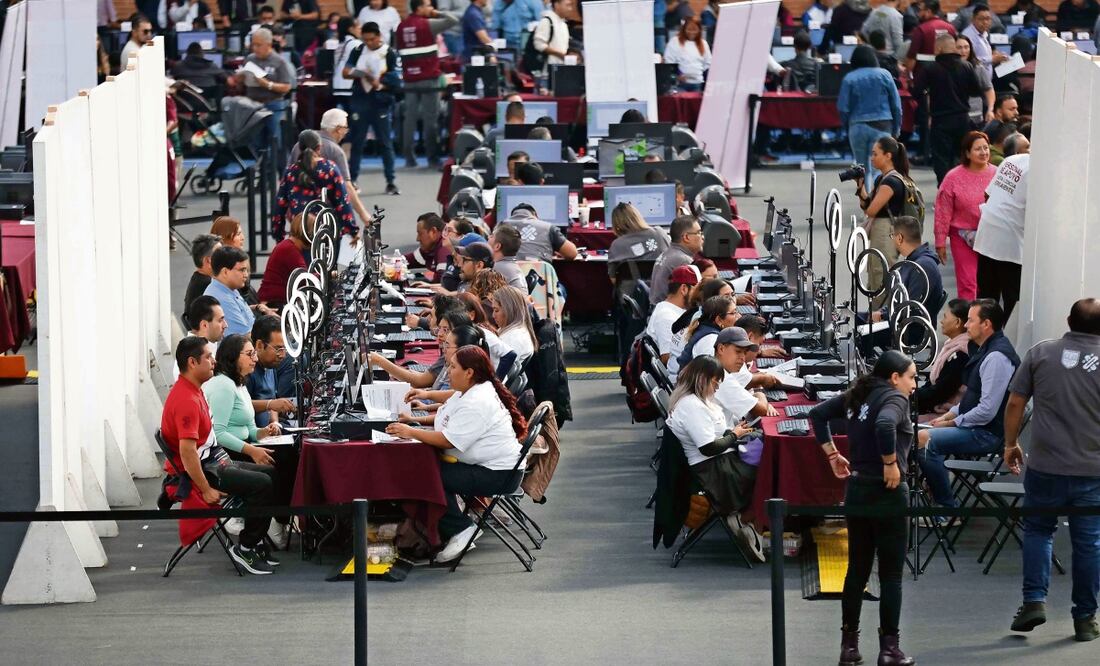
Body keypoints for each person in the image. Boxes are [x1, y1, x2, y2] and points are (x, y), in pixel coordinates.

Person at [810, 350, 918, 666]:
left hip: (857, 490)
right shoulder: (896, 400)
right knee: (891, 575)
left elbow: (817, 414)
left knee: (856, 569)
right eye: (911, 377)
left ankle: (849, 646)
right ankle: (889, 649)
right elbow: (886, 427)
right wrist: (890, 463)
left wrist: (832, 455)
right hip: (887, 494)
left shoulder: (859, 395)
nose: (914, 384)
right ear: (895, 377)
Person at [1004, 298, 1100, 642]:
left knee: (1038, 531)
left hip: (1045, 464)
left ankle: (1034, 600)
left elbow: (1016, 401)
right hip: (1092, 469)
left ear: (1068, 320)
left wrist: (1010, 443)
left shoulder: (1041, 353)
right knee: (1089, 544)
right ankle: (1085, 619)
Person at [385, 346, 527, 562]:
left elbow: (448, 440)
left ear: (469, 372)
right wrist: (414, 421)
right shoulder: (471, 391)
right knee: (425, 469)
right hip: (493, 468)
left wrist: (411, 431)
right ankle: (444, 528)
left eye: (452, 367)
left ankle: (461, 528)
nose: (448, 371)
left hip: (498, 475)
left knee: (425, 475)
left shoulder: (476, 402)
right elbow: (447, 420)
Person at [162, 336, 278, 575]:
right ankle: (245, 547)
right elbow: (187, 452)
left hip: (216, 459)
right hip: (206, 469)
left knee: (271, 472)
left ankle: (253, 541)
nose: (213, 362)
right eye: (208, 357)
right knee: (263, 484)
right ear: (193, 362)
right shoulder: (186, 399)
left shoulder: (195, 390)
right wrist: (205, 489)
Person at [918, 299, 1019, 508]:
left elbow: (987, 411)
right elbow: (972, 399)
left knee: (925, 441)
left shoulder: (997, 357)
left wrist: (953, 422)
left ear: (986, 324)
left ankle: (946, 508)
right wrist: (949, 415)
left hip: (987, 433)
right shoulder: (986, 350)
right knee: (920, 434)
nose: (965, 325)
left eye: (971, 321)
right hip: (978, 426)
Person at [665, 356, 765, 562]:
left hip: (718, 464)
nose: (717, 388)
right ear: (703, 379)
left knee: (765, 457)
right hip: (715, 472)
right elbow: (709, 447)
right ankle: (747, 520)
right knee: (769, 473)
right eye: (715, 383)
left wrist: (735, 432)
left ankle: (749, 519)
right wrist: (734, 435)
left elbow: (714, 434)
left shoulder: (698, 401)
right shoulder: (692, 407)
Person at [914, 33, 985, 184]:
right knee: (962, 158)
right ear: (953, 47)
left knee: (942, 161)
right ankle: (963, 192)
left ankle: (945, 193)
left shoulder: (930, 69)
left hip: (940, 120)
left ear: (939, 48)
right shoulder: (966, 66)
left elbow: (917, 91)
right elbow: (976, 91)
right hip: (963, 119)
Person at [396, 0, 459, 168]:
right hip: (429, 79)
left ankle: (409, 158)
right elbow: (453, 20)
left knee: (409, 119)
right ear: (419, 8)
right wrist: (437, 13)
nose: (430, 8)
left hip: (409, 78)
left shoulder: (401, 27)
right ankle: (432, 157)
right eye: (428, 5)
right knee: (430, 119)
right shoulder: (428, 24)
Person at [935, 130, 996, 301]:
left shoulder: (998, 174)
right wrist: (940, 242)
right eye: (978, 149)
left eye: (986, 148)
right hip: (961, 236)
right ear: (967, 153)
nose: (984, 152)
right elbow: (943, 210)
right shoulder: (953, 177)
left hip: (992, 236)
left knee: (989, 284)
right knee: (968, 284)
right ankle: (967, 323)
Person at [342, 21, 400, 195]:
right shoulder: (358, 50)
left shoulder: (389, 53)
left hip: (380, 101)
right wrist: (364, 74)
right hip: (360, 100)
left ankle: (391, 181)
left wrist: (380, 83)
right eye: (365, 39)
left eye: (372, 39)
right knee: (357, 141)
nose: (368, 43)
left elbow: (397, 80)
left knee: (385, 142)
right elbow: (346, 72)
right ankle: (353, 180)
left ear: (379, 37)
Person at [289, 108, 375, 222]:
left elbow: (287, 178)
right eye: (345, 128)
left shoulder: (298, 145)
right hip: (326, 213)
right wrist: (363, 214)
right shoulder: (336, 151)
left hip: (299, 211)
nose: (346, 132)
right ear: (339, 129)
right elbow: (347, 187)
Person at [975, 145, 1029, 319]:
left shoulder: (1011, 160)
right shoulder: (1037, 173)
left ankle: (981, 339)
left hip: (988, 232)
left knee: (986, 296)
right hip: (1010, 243)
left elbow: (987, 195)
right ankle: (1004, 340)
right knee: (1013, 299)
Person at [272, 130, 357, 241]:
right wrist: (352, 231)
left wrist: (278, 234)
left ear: (300, 148)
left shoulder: (291, 171)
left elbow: (280, 205)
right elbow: (343, 202)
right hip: (326, 230)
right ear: (319, 147)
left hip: (299, 231)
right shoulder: (330, 169)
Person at [839, 46, 903, 191]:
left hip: (857, 127)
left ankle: (866, 202)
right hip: (882, 126)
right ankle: (879, 202)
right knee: (879, 168)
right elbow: (896, 105)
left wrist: (847, 126)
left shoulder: (849, 78)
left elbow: (843, 108)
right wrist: (897, 128)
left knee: (861, 168)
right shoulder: (885, 75)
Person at [855, 136, 912, 296]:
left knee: (881, 273)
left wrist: (868, 205)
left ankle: (883, 315)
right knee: (875, 272)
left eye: (875, 154)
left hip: (886, 231)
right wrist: (860, 185)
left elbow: (871, 211)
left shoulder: (891, 182)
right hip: (881, 231)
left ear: (888, 156)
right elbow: (866, 204)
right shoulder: (882, 178)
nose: (872, 158)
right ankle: (877, 313)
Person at [870, 215, 946, 325]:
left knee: (857, 326)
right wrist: (882, 312)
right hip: (902, 323)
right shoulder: (915, 262)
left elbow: (910, 308)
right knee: (859, 318)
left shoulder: (921, 267)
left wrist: (882, 315)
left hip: (908, 331)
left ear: (900, 238)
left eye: (892, 236)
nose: (892, 241)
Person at [241, 28, 296, 167]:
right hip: (253, 105)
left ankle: (281, 173)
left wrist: (268, 85)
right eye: (253, 44)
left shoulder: (279, 62)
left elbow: (286, 87)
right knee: (255, 141)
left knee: (275, 141)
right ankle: (262, 172)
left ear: (268, 44)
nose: (255, 48)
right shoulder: (250, 59)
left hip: (273, 105)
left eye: (258, 45)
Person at [916, 298, 971, 416]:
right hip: (934, 401)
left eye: (945, 317)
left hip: (946, 410)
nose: (941, 321)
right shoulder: (952, 345)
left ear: (957, 322)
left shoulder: (961, 354)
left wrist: (909, 397)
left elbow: (940, 392)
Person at [671, 294, 738, 378]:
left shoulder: (705, 329)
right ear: (719, 320)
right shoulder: (710, 341)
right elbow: (714, 378)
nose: (738, 316)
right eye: (733, 313)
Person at [646, 265, 700, 365]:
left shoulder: (672, 309)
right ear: (684, 289)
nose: (698, 295)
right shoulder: (667, 317)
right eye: (696, 289)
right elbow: (667, 359)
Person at [257, 212, 312, 308]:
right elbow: (304, 278)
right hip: (274, 303)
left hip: (273, 300)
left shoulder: (288, 245)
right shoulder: (290, 250)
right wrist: (329, 274)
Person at [607, 202, 671, 283]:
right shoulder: (659, 232)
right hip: (662, 290)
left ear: (616, 225)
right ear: (637, 217)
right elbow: (671, 256)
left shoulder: (616, 245)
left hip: (631, 294)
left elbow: (614, 280)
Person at [649, 215, 704, 306]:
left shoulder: (668, 253)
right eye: (699, 233)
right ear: (686, 237)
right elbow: (697, 296)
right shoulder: (683, 261)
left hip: (658, 309)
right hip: (670, 313)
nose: (702, 237)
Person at [203, 247, 256, 337]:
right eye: (242, 270)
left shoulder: (228, 289)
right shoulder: (222, 299)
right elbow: (245, 338)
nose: (246, 275)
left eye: (246, 270)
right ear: (225, 272)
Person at [500, 205, 579, 262]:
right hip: (539, 282)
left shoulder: (500, 227)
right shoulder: (548, 227)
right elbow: (572, 253)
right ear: (535, 215)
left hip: (506, 281)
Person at [954, 35, 995, 129]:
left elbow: (988, 89)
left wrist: (990, 109)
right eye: (959, 47)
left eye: (966, 47)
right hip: (955, 117)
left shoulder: (978, 68)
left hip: (975, 118)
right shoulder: (948, 69)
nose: (963, 51)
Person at [491, 285, 537, 367]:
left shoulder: (514, 338)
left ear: (509, 310)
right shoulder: (513, 331)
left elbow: (495, 369)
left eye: (496, 310)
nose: (493, 315)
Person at [905, 0, 957, 72]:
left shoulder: (921, 29)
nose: (918, 13)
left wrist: (908, 74)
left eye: (920, 10)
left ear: (928, 12)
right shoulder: (951, 28)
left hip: (924, 73)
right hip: (947, 72)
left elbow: (912, 56)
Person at [663, 16, 712, 92]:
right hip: (680, 83)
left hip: (697, 82)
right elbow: (668, 61)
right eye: (689, 29)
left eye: (695, 29)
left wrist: (697, 72)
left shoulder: (703, 43)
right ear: (684, 29)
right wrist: (678, 74)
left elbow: (708, 62)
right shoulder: (675, 41)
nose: (692, 32)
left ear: (699, 30)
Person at [961, 5, 1007, 83]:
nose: (985, 22)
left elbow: (982, 54)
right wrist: (992, 59)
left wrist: (994, 54)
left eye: (988, 19)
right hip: (974, 81)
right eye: (981, 19)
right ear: (973, 19)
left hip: (985, 81)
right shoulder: (968, 36)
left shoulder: (984, 33)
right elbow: (969, 61)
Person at [405, 213, 452, 283]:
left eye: (420, 233)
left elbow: (442, 280)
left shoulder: (444, 248)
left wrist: (424, 274)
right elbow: (405, 261)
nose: (417, 239)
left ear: (433, 232)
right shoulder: (430, 248)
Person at [183, 234, 221, 317]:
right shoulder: (209, 285)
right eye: (219, 253)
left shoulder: (197, 278)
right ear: (208, 260)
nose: (224, 256)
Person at [533, 0, 574, 74]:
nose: (570, 9)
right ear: (557, 4)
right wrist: (559, 54)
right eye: (567, 5)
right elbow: (539, 44)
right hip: (548, 70)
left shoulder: (564, 24)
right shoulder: (547, 21)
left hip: (562, 68)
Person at [489, 225, 527, 291]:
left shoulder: (495, 269)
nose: (488, 237)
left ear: (497, 246)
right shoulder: (513, 267)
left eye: (491, 236)